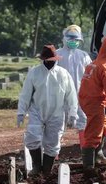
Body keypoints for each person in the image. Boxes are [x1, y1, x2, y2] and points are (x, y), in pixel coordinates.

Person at [17, 45, 78, 175]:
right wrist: (21, 112)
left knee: (53, 142)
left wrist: (73, 113)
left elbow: (71, 95)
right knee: (32, 137)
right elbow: (26, 93)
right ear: (44, 59)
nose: (51, 61)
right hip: (37, 111)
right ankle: (37, 167)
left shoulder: (63, 74)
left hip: (57, 112)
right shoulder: (34, 72)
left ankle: (46, 171)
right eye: (48, 59)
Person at [79, 34, 106, 170]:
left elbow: (97, 86)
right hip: (93, 102)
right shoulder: (105, 67)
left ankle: (98, 155)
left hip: (88, 99)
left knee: (104, 127)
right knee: (94, 132)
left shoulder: (94, 63)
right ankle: (88, 166)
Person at [56, 25, 92, 146]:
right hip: (61, 96)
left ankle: (85, 151)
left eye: (76, 40)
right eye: (71, 39)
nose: (74, 42)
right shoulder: (57, 55)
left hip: (80, 95)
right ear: (65, 39)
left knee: (83, 123)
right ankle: (54, 154)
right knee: (58, 124)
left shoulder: (84, 56)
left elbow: (91, 75)